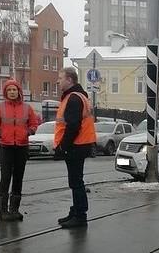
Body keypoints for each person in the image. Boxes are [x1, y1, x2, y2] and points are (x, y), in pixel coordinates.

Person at [0, 79, 39, 221]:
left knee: (18, 178)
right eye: (9, 90)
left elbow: (34, 123)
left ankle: (14, 209)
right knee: (5, 177)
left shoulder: (27, 108)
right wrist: (0, 134)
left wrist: (28, 132)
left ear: (19, 92)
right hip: (6, 147)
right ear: (6, 92)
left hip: (21, 147)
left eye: (14, 90)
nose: (12, 92)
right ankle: (3, 211)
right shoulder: (0, 107)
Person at [54, 67, 96, 228]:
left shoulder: (73, 98)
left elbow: (72, 126)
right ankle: (76, 211)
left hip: (75, 145)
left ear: (69, 80)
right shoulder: (79, 96)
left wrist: (63, 147)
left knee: (76, 181)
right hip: (80, 144)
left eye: (60, 78)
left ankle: (80, 215)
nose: (58, 81)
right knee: (76, 180)